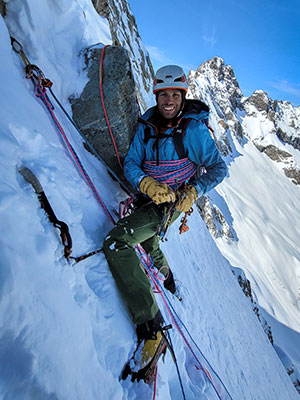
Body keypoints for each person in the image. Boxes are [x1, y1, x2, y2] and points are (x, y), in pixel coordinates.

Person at [103, 65, 227, 378]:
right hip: (147, 198)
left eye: (175, 94)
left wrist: (193, 192)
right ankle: (168, 278)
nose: (169, 100)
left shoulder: (193, 131)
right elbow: (131, 162)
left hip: (166, 207)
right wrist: (144, 183)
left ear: (183, 96)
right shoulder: (146, 126)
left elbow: (218, 168)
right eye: (163, 94)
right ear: (156, 95)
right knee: (147, 240)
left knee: (117, 244)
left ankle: (151, 327)